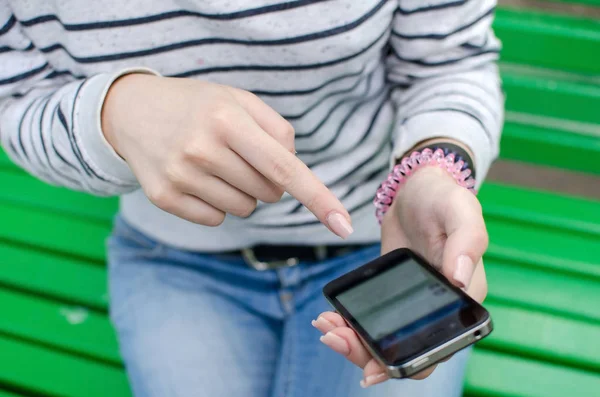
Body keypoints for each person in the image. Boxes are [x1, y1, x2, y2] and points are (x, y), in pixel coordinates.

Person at [0, 0, 502, 396]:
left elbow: (449, 61)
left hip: (382, 248)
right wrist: (112, 112)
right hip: (176, 258)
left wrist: (433, 169)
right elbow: (15, 96)